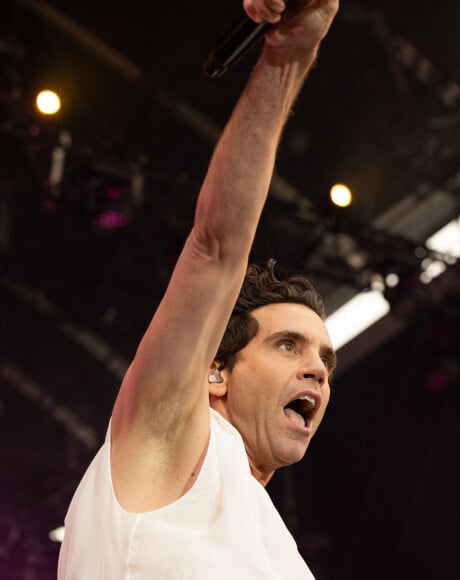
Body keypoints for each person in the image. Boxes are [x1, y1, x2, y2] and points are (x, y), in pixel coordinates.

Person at [57, 0, 339, 577]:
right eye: (288, 344)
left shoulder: (273, 541)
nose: (318, 371)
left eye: (325, 360)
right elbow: (215, 249)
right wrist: (287, 59)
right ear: (214, 371)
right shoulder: (174, 440)